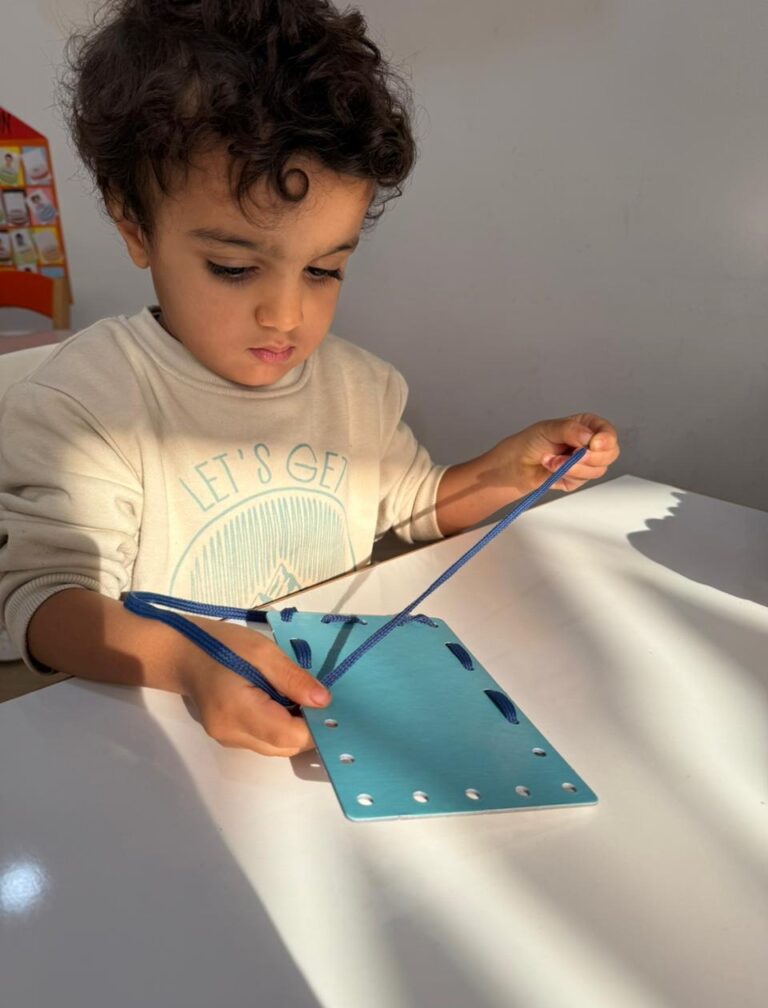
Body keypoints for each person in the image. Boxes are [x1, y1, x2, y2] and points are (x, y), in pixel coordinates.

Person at [0, 0, 619, 757]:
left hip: (325, 734)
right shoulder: (87, 404)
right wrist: (188, 661)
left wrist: (505, 474)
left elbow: (413, 508)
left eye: (325, 270)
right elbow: (44, 605)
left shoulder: (360, 389)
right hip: (155, 755)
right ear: (135, 226)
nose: (286, 316)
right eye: (234, 267)